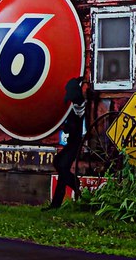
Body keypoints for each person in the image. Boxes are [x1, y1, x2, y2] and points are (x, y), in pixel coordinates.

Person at [44, 77, 88, 209]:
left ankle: (56, 203)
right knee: (59, 163)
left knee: (62, 166)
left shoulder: (87, 108)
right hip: (71, 143)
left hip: (79, 144)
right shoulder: (73, 110)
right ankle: (74, 184)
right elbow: (69, 127)